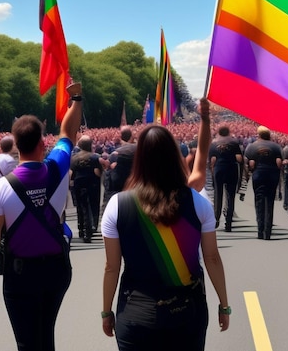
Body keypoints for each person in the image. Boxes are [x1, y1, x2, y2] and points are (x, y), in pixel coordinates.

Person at [101, 124, 230, 350]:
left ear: (139, 158)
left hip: (136, 315)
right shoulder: (198, 202)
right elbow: (212, 258)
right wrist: (224, 304)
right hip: (187, 314)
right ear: (174, 156)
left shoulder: (117, 205)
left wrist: (106, 311)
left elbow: (112, 267)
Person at [0, 82, 83, 351]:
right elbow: (68, 132)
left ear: (15, 145)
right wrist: (76, 98)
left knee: (27, 341)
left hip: (20, 275)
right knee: (45, 333)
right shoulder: (57, 167)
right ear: (42, 143)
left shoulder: (1, 187)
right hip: (55, 271)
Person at [244, 126, 282, 240]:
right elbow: (279, 162)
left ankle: (260, 230)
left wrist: (248, 175)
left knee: (259, 201)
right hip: (272, 174)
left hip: (258, 174)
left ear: (258, 134)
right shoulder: (276, 147)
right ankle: (268, 230)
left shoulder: (252, 147)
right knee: (270, 202)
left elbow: (249, 164)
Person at [70, 135, 103, 242]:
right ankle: (92, 227)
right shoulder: (94, 157)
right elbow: (97, 172)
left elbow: (71, 174)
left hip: (78, 184)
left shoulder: (74, 158)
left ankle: (81, 229)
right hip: (92, 184)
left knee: (80, 207)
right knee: (93, 205)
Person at [209, 126, 242, 231]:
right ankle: (228, 222)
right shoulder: (234, 142)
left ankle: (216, 219)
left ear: (218, 132)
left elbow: (212, 161)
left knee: (218, 195)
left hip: (219, 169)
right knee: (230, 196)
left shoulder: (213, 143)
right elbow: (240, 159)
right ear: (228, 132)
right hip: (231, 169)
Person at [103, 126, 136, 208]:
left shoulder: (114, 153)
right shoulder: (138, 150)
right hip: (134, 187)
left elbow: (108, 175)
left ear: (121, 137)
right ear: (131, 137)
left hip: (118, 190)